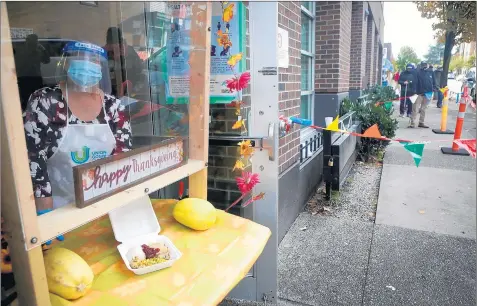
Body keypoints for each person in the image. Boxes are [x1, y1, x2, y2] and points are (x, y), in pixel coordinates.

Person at [23, 41, 132, 215]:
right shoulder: (45, 101)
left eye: (95, 60)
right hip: (58, 207)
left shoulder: (114, 107)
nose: (88, 64)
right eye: (78, 57)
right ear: (66, 63)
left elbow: (122, 157)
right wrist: (45, 212)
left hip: (103, 204)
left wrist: (119, 206)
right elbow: (34, 157)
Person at [104, 27, 144, 97]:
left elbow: (139, 72)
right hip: (109, 93)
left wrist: (133, 88)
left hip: (129, 93)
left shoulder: (129, 50)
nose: (117, 48)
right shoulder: (104, 52)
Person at [15, 34, 50, 112]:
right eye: (31, 41)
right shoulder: (22, 51)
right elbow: (17, 64)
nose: (33, 43)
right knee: (26, 98)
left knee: (37, 98)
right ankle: (27, 113)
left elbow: (47, 61)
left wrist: (43, 49)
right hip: (24, 78)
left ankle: (35, 112)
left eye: (34, 41)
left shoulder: (37, 52)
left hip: (35, 78)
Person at [410, 61, 437, 128]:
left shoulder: (431, 72)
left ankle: (421, 122)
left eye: (425, 65)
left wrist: (434, 88)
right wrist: (414, 92)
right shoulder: (417, 72)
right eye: (423, 65)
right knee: (415, 108)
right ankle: (412, 123)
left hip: (428, 93)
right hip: (418, 93)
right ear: (421, 65)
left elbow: (434, 82)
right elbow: (414, 82)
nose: (424, 66)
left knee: (423, 109)